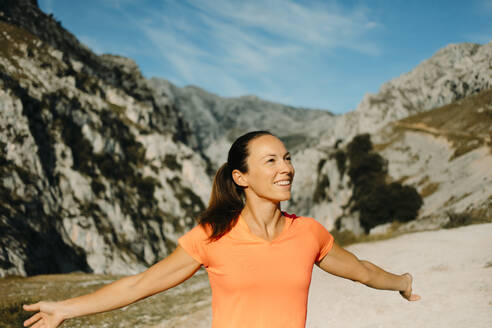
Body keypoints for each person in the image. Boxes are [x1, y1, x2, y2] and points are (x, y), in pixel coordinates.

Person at [23, 130, 420, 328]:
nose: (286, 168)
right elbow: (140, 284)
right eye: (270, 161)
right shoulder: (212, 236)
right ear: (241, 177)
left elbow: (363, 271)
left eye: (287, 158)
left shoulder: (309, 233)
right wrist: (65, 309)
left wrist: (402, 280)